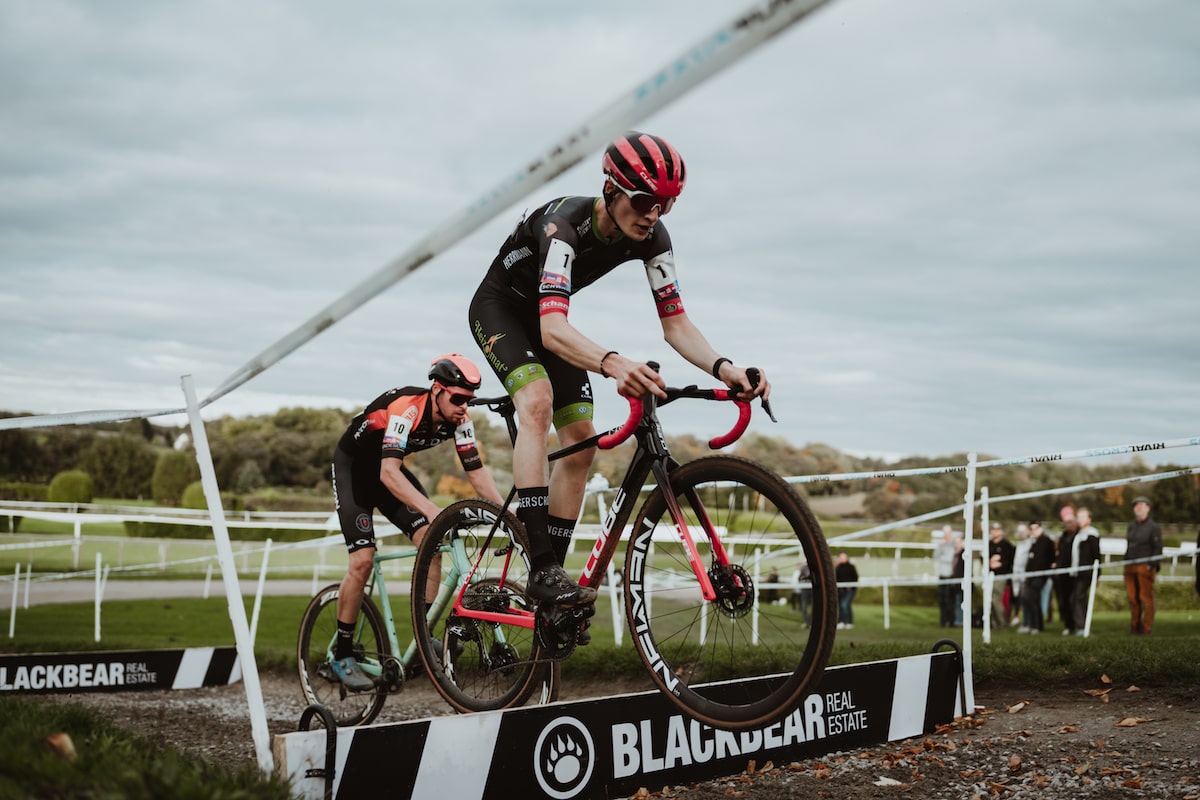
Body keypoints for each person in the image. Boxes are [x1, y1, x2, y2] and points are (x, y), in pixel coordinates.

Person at [467, 130, 770, 610]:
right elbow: (551, 331)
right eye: (645, 200)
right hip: (502, 310)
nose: (654, 214)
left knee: (581, 444)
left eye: (666, 205)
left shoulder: (653, 237)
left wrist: (723, 367)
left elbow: (675, 325)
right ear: (611, 190)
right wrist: (612, 363)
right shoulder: (561, 226)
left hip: (550, 321)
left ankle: (554, 587)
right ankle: (541, 568)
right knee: (538, 402)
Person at [328, 354, 505, 690]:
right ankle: (343, 651)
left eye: (469, 400)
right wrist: (431, 509)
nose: (463, 407)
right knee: (362, 561)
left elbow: (478, 475)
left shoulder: (460, 421)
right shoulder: (407, 408)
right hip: (355, 471)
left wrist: (505, 514)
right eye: (457, 398)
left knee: (431, 541)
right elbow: (388, 472)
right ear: (437, 389)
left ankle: (422, 636)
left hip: (385, 474)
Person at [1124, 495, 1163, 635]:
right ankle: (1135, 625)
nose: (1138, 507)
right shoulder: (1131, 526)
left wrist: (1151, 564)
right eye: (1136, 505)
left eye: (1141, 504)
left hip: (1144, 566)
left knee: (1145, 597)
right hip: (1130, 565)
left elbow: (1158, 547)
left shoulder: (1153, 527)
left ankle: (1146, 627)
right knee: (1132, 598)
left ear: (1148, 507)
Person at [1068, 507, 1102, 637]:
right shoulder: (1077, 534)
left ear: (1089, 519)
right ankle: (1081, 626)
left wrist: (1097, 575)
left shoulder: (1092, 534)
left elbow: (1097, 556)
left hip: (1086, 573)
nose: (1080, 519)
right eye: (1079, 516)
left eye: (1083, 517)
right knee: (1080, 599)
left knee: (1076, 598)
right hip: (1076, 573)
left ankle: (1082, 626)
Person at [1020, 521, 1055, 634]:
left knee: (1031, 597)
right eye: (1032, 529)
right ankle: (1033, 624)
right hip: (1030, 576)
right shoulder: (1033, 542)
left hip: (1040, 576)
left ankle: (1036, 626)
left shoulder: (1047, 541)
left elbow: (1051, 559)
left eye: (1036, 528)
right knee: (1030, 599)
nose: (1034, 531)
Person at [1053, 508, 1080, 635]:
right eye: (1067, 523)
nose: (1069, 525)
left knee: (1074, 600)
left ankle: (1078, 624)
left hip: (1074, 573)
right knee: (1063, 600)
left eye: (1071, 522)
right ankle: (1068, 625)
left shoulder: (1079, 535)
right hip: (1062, 573)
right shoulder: (1063, 537)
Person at [987, 522, 1015, 629]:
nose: (995, 532)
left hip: (1001, 576)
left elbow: (1009, 561)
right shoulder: (989, 544)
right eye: (993, 529)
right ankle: (994, 624)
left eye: (997, 529)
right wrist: (990, 562)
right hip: (990, 575)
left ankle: (1002, 623)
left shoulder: (1006, 545)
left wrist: (1000, 563)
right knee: (990, 600)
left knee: (996, 599)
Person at [934, 524, 959, 627]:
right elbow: (935, 556)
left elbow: (951, 559)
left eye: (947, 533)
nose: (946, 535)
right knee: (942, 599)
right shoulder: (941, 544)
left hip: (950, 575)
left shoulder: (954, 544)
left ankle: (951, 620)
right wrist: (940, 546)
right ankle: (943, 621)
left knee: (950, 600)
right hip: (942, 575)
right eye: (944, 533)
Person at [1010, 523, 1032, 629]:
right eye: (1020, 532)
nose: (1021, 534)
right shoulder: (1019, 545)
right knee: (1020, 599)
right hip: (1018, 576)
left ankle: (1028, 623)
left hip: (1027, 577)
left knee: (1027, 600)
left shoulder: (1031, 543)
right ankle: (1022, 621)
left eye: (1023, 531)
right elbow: (1016, 563)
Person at [835, 552, 858, 629]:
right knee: (844, 606)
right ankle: (843, 622)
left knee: (844, 604)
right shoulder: (838, 568)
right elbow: (836, 578)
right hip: (841, 590)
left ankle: (847, 622)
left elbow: (855, 578)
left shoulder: (851, 567)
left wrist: (850, 585)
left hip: (850, 590)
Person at [790, 561, 813, 625]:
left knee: (813, 606)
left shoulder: (814, 568)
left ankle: (811, 621)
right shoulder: (804, 568)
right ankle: (806, 620)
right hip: (805, 589)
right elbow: (799, 578)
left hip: (813, 590)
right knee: (804, 605)